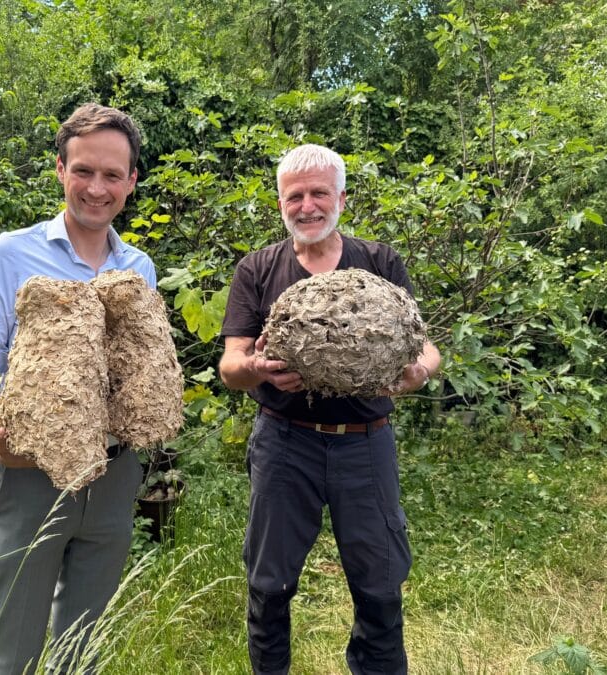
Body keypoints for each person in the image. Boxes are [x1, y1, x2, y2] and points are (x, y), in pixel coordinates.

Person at [219, 143, 441, 675]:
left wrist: (419, 373)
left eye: (319, 192)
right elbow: (230, 364)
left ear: (341, 197)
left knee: (381, 582)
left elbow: (424, 344)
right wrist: (257, 369)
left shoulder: (380, 263)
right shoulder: (258, 270)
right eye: (295, 196)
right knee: (269, 583)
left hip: (365, 442)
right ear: (281, 204)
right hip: (284, 440)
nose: (308, 205)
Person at [0, 103, 154, 675]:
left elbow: (140, 376)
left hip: (114, 474)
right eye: (84, 171)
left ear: (131, 181)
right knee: (14, 644)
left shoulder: (138, 266)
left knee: (82, 642)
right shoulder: (13, 253)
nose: (97, 188)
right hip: (29, 473)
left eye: (112, 175)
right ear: (61, 170)